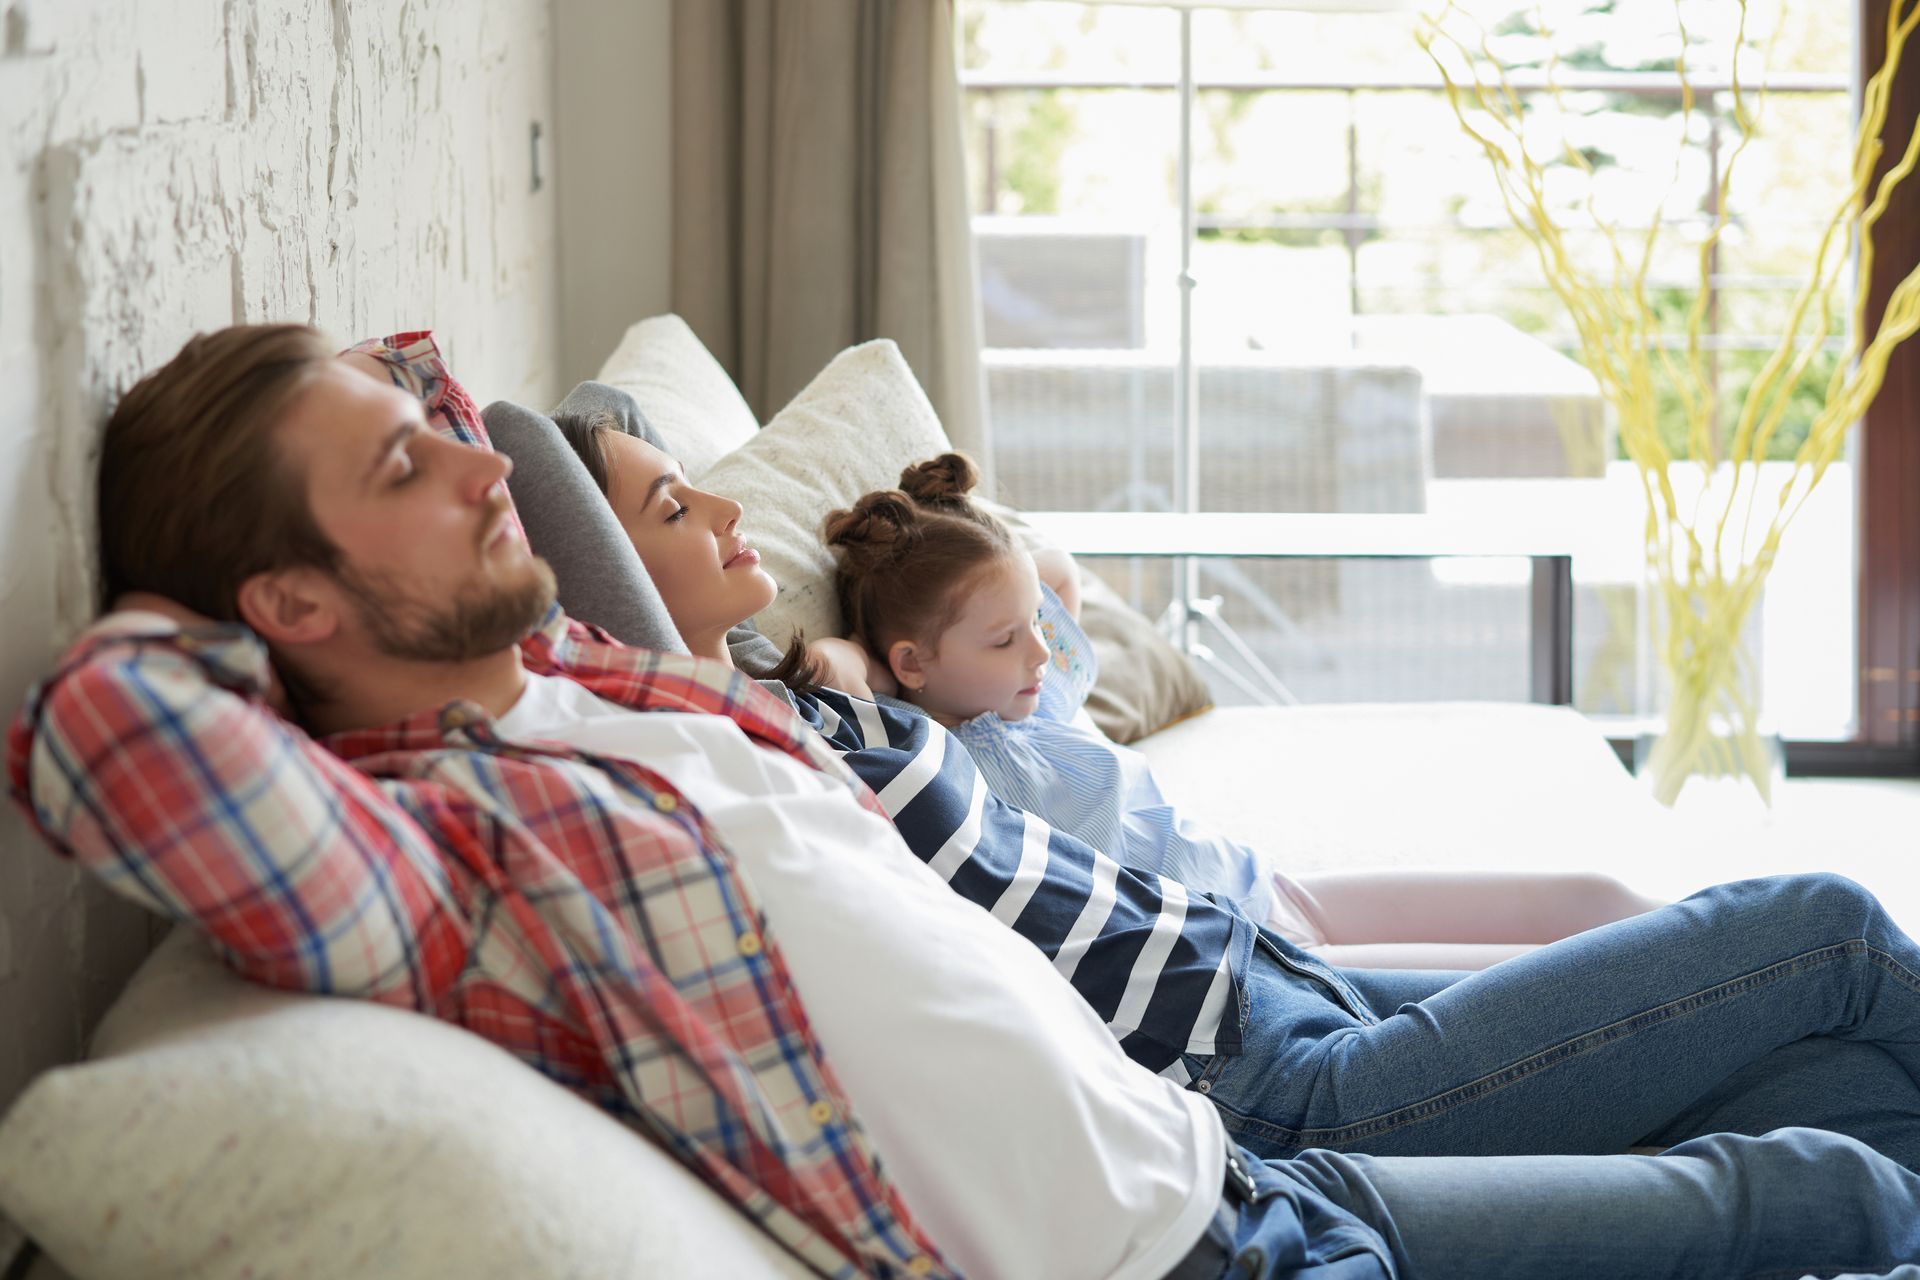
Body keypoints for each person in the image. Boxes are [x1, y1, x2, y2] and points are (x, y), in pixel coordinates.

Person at [12, 323, 1920, 1280]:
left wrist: (378, 463)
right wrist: (234, 617)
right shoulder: (448, 854)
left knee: (1839, 1102)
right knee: (1823, 1086)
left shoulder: (586, 687)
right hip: (1194, 1259)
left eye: (430, 438)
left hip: (1221, 1157)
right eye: (394, 467)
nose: (461, 460)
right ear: (283, 611)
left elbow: (495, 428)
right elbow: (114, 734)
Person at [540, 397, 1920, 1172]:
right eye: (676, 507)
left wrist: (824, 657)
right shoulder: (721, 753)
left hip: (1251, 969)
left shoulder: (790, 696)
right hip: (1252, 1076)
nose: (726, 511)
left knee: (1850, 1085)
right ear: (601, 576)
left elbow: (924, 656)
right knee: (1826, 925)